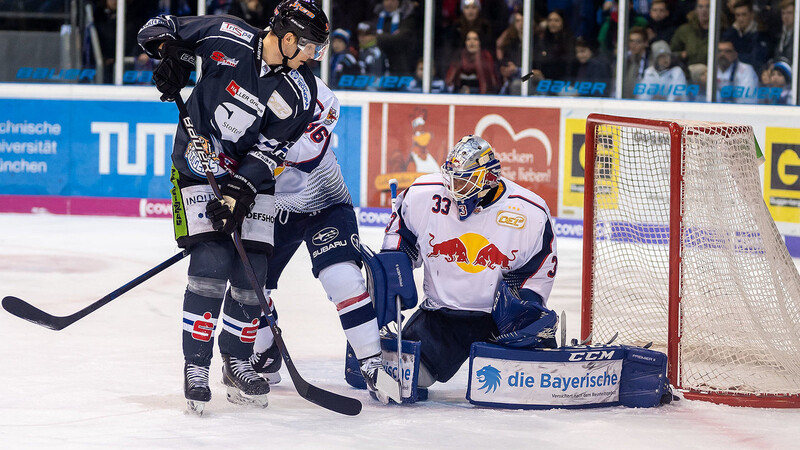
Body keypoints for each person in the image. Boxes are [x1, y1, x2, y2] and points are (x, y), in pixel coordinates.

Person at [137, 0, 330, 413]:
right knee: (210, 262)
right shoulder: (228, 34)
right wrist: (171, 58)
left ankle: (237, 360)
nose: (315, 55)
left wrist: (238, 193)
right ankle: (196, 366)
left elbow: (268, 152)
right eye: (312, 46)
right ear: (289, 38)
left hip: (249, 179)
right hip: (196, 164)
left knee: (252, 272)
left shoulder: (302, 92)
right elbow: (159, 27)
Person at [248, 76, 394, 404]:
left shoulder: (315, 90)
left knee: (342, 278)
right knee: (249, 284)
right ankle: (266, 349)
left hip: (324, 200)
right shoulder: (240, 88)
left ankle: (372, 362)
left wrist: (255, 146)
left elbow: (308, 150)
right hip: (268, 206)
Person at [382, 135, 559, 392]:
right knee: (403, 381)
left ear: (488, 178)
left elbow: (539, 267)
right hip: (441, 318)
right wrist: (392, 273)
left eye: (463, 181)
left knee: (529, 389)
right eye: (451, 178)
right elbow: (401, 238)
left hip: (501, 323)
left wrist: (526, 305)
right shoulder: (422, 194)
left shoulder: (530, 212)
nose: (454, 189)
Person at [721, 1, 769, 73]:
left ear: (751, 15)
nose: (740, 19)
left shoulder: (760, 35)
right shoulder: (730, 33)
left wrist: (734, 56)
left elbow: (755, 60)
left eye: (744, 15)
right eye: (738, 15)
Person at [445, 29, 498, 94]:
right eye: (468, 39)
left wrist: (478, 58)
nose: (471, 42)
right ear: (465, 42)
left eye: (475, 39)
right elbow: (449, 81)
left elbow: (492, 82)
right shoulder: (459, 56)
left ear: (480, 42)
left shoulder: (486, 56)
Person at [716, 38, 759, 104]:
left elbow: (746, 98)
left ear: (735, 54)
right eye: (719, 51)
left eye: (727, 51)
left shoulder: (745, 70)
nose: (722, 54)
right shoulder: (711, 69)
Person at [671, 0, 710, 67]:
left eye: (708, 6)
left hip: (713, 70)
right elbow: (671, 53)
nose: (704, 10)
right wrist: (681, 54)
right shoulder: (685, 30)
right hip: (689, 71)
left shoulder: (721, 29)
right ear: (695, 9)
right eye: (700, 7)